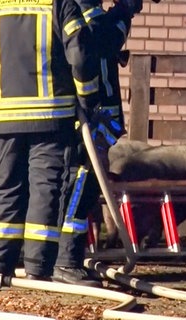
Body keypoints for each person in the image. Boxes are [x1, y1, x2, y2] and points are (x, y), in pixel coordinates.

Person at [0, 0, 100, 281]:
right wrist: (89, 101)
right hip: (51, 120)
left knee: (7, 189)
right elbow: (81, 56)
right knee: (45, 191)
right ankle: (38, 270)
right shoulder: (60, 6)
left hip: (5, 121)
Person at [53, 0, 137, 287]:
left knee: (84, 187)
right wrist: (124, 12)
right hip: (91, 118)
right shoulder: (83, 11)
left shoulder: (87, 10)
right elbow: (104, 37)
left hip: (97, 117)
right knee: (80, 183)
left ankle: (66, 258)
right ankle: (66, 260)